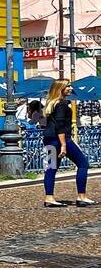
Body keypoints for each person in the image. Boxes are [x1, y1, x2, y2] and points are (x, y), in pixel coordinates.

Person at [42, 80, 94, 208]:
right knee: (83, 164)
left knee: (51, 168)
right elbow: (60, 126)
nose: (71, 88)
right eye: (68, 86)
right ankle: (81, 196)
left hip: (49, 139)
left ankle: (49, 198)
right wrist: (64, 144)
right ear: (60, 89)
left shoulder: (51, 103)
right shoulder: (62, 104)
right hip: (61, 139)